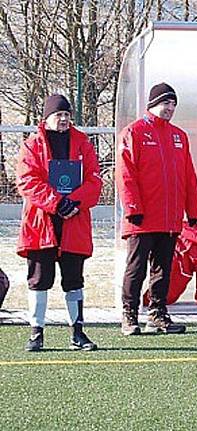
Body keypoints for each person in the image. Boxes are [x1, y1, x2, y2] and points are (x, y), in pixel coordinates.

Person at [16, 94, 102, 351]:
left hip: (74, 223)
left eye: (67, 115)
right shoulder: (32, 145)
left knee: (74, 279)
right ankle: (36, 332)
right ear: (47, 118)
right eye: (58, 115)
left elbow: (95, 181)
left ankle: (78, 332)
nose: (63, 119)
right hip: (41, 223)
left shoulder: (83, 144)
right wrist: (56, 203)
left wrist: (74, 202)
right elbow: (27, 181)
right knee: (39, 279)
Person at [116, 83, 197, 335]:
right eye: (166, 103)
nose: (170, 108)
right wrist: (133, 207)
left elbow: (188, 175)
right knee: (136, 267)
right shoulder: (133, 132)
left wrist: (193, 210)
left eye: (173, 104)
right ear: (152, 104)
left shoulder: (179, 136)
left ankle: (157, 313)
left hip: (170, 217)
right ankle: (129, 315)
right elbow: (125, 174)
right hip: (141, 218)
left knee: (163, 268)